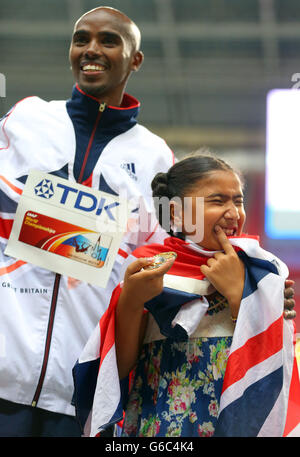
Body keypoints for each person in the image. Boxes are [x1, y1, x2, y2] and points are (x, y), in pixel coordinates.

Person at [0, 7, 174, 437]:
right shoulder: (27, 119)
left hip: (77, 391)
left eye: (108, 40)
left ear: (135, 59)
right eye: (81, 39)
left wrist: (254, 292)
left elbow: (168, 264)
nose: (91, 50)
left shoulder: (156, 158)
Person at [73, 152, 299, 437]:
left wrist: (241, 296)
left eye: (238, 200)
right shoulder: (149, 266)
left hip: (236, 420)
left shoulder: (263, 270)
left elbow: (278, 363)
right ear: (177, 212)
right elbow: (117, 370)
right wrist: (131, 301)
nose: (233, 212)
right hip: (160, 422)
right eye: (217, 200)